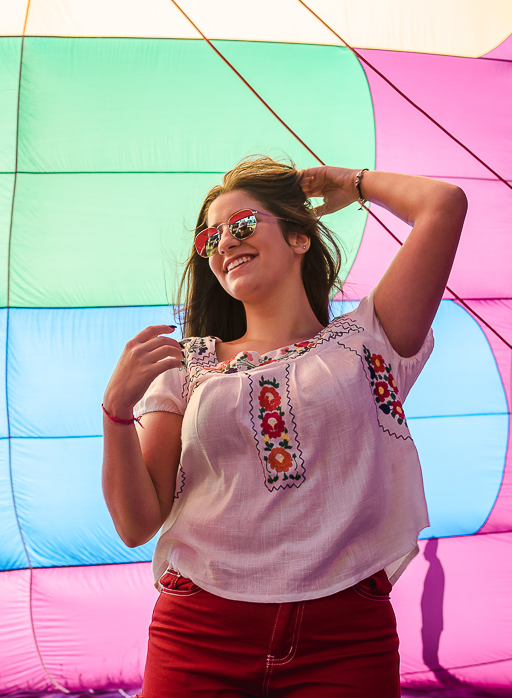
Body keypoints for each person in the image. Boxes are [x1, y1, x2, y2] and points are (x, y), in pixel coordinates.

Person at [101, 156, 467, 697]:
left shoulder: (370, 339)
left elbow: (443, 204)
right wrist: (115, 412)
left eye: (242, 224)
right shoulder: (187, 364)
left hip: (345, 639)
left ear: (299, 239)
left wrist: (353, 184)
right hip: (201, 633)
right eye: (210, 239)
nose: (224, 244)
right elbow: (136, 524)